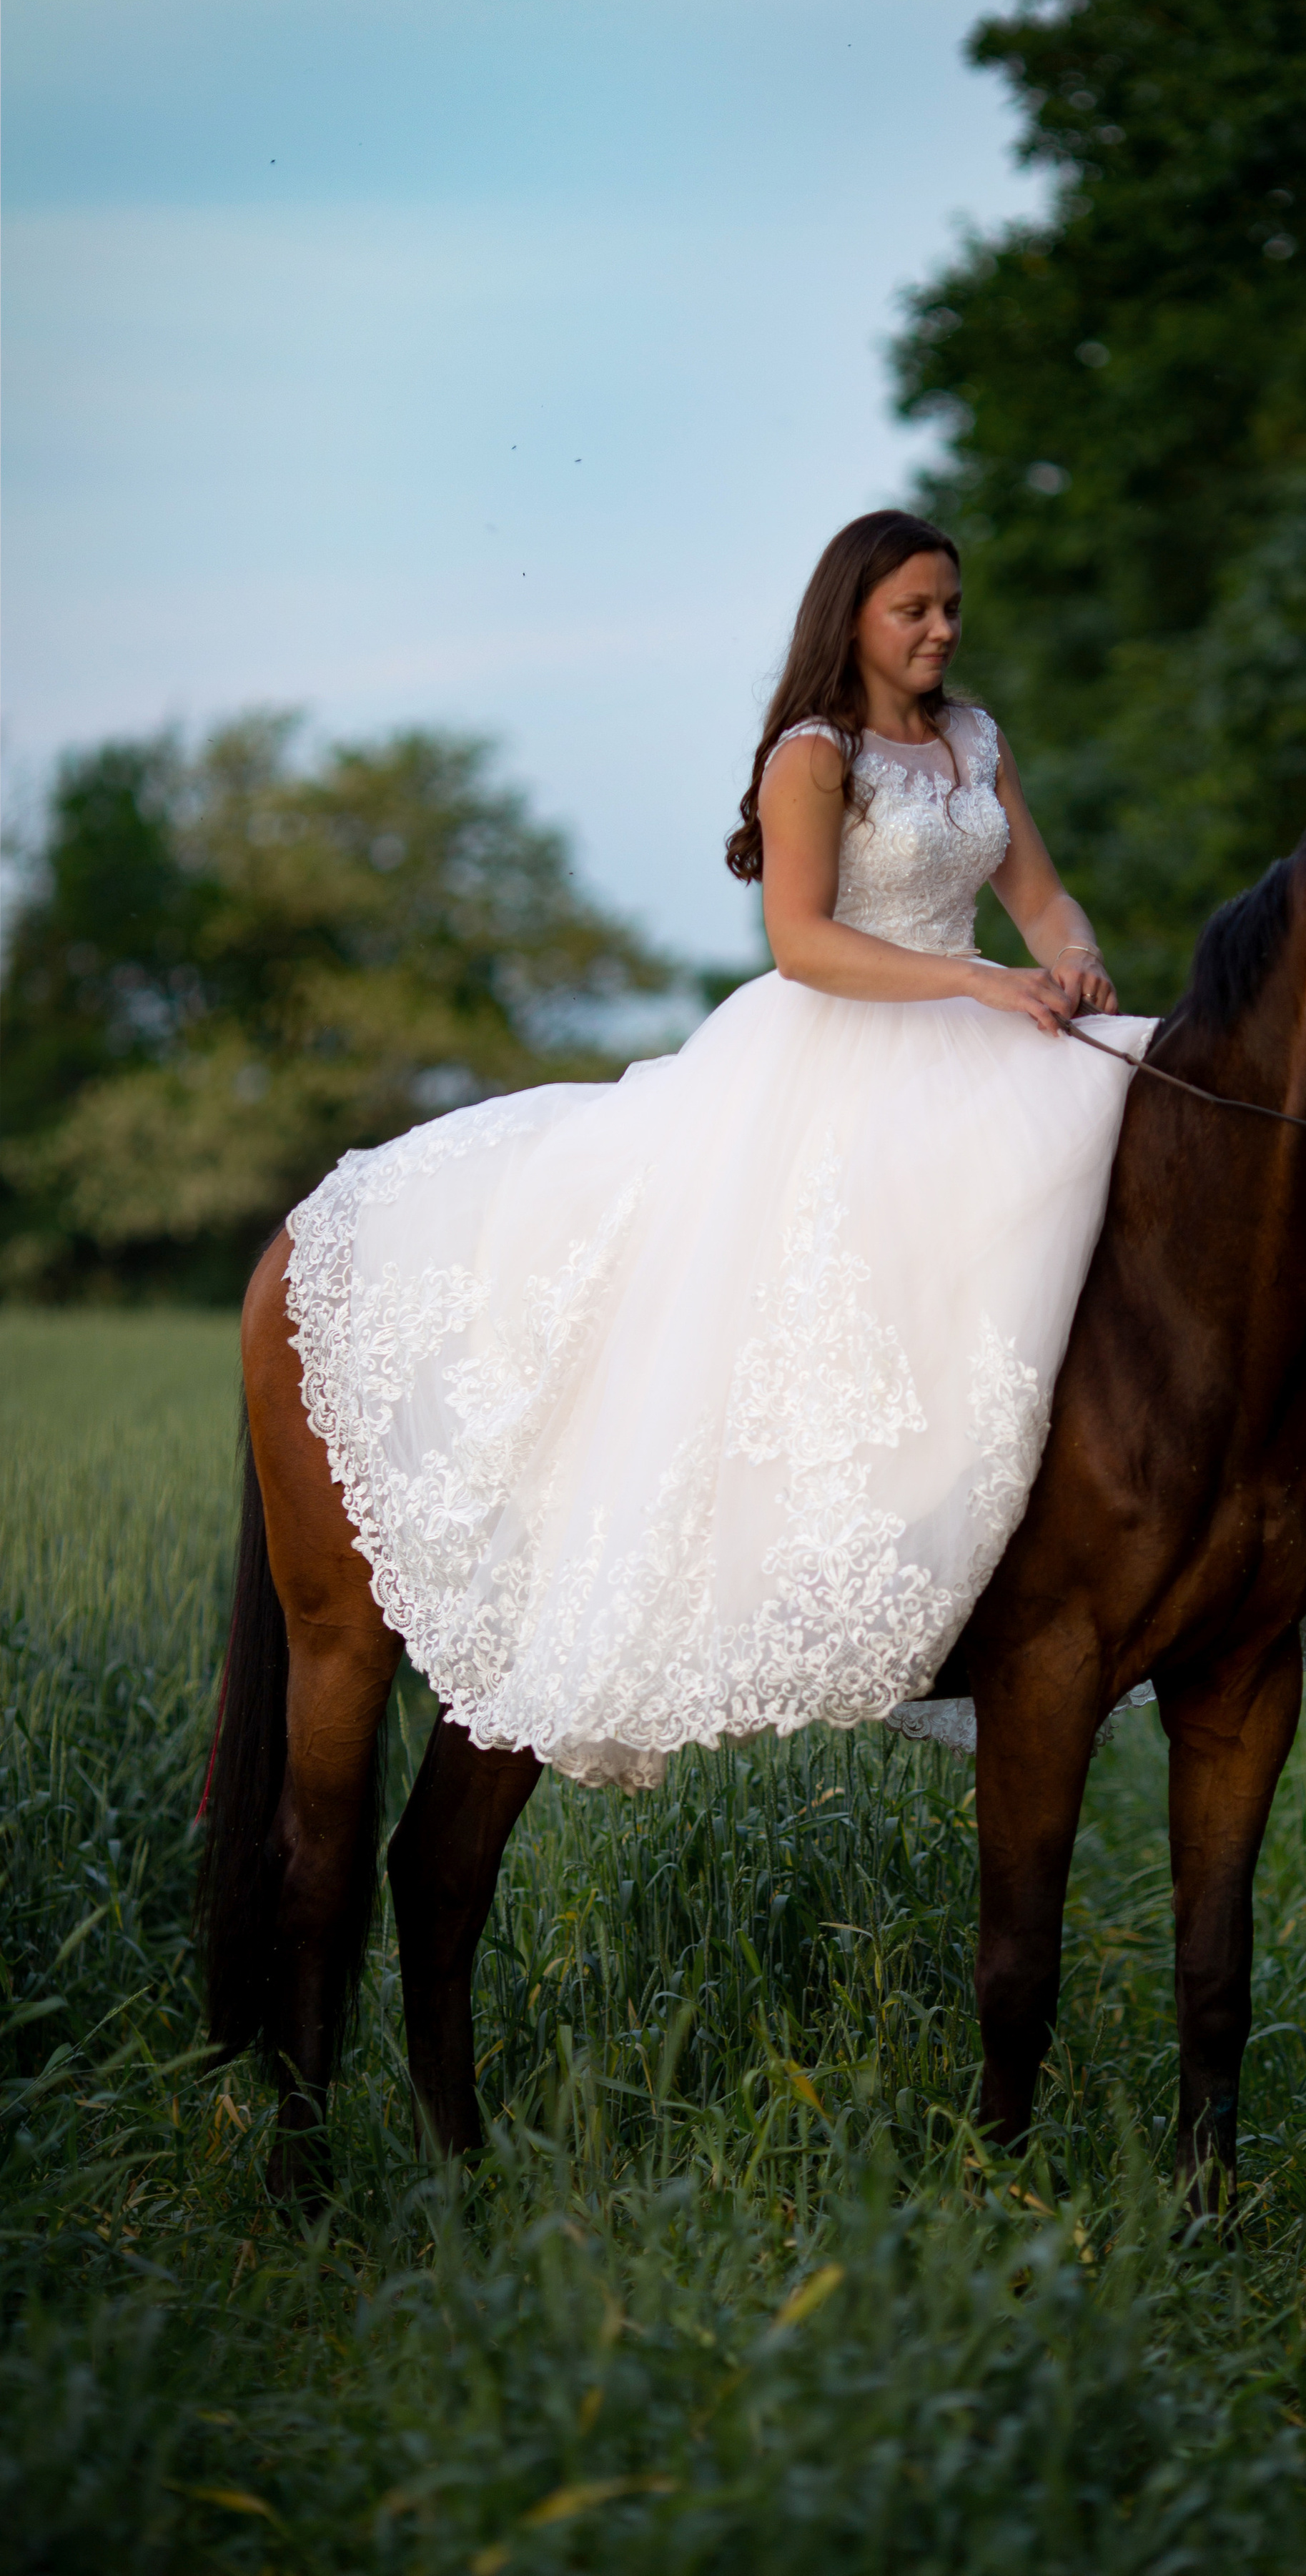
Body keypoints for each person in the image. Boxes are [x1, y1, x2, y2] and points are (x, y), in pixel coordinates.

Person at [285, 510, 1157, 1790]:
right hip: (847, 1035)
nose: (940, 631)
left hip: (980, 1025)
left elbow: (1035, 893)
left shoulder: (976, 738)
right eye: (913, 609)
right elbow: (800, 942)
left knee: (1127, 1119)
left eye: (951, 607)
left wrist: (1070, 956)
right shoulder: (814, 754)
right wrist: (972, 986)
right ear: (853, 616)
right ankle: (816, 1537)